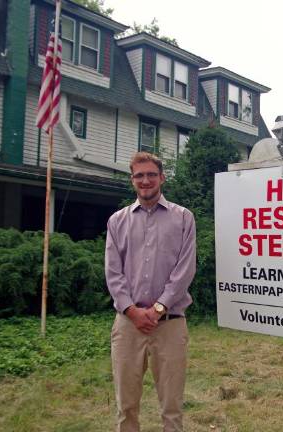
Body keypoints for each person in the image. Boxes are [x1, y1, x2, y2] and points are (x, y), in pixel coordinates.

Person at [105, 151, 196, 432]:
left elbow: (185, 269)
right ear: (132, 180)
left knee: (171, 408)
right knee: (126, 407)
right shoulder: (117, 221)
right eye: (139, 175)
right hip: (128, 325)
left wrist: (158, 309)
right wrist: (132, 311)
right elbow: (113, 272)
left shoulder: (183, 218)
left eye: (151, 175)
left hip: (170, 324)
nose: (145, 180)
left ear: (162, 178)